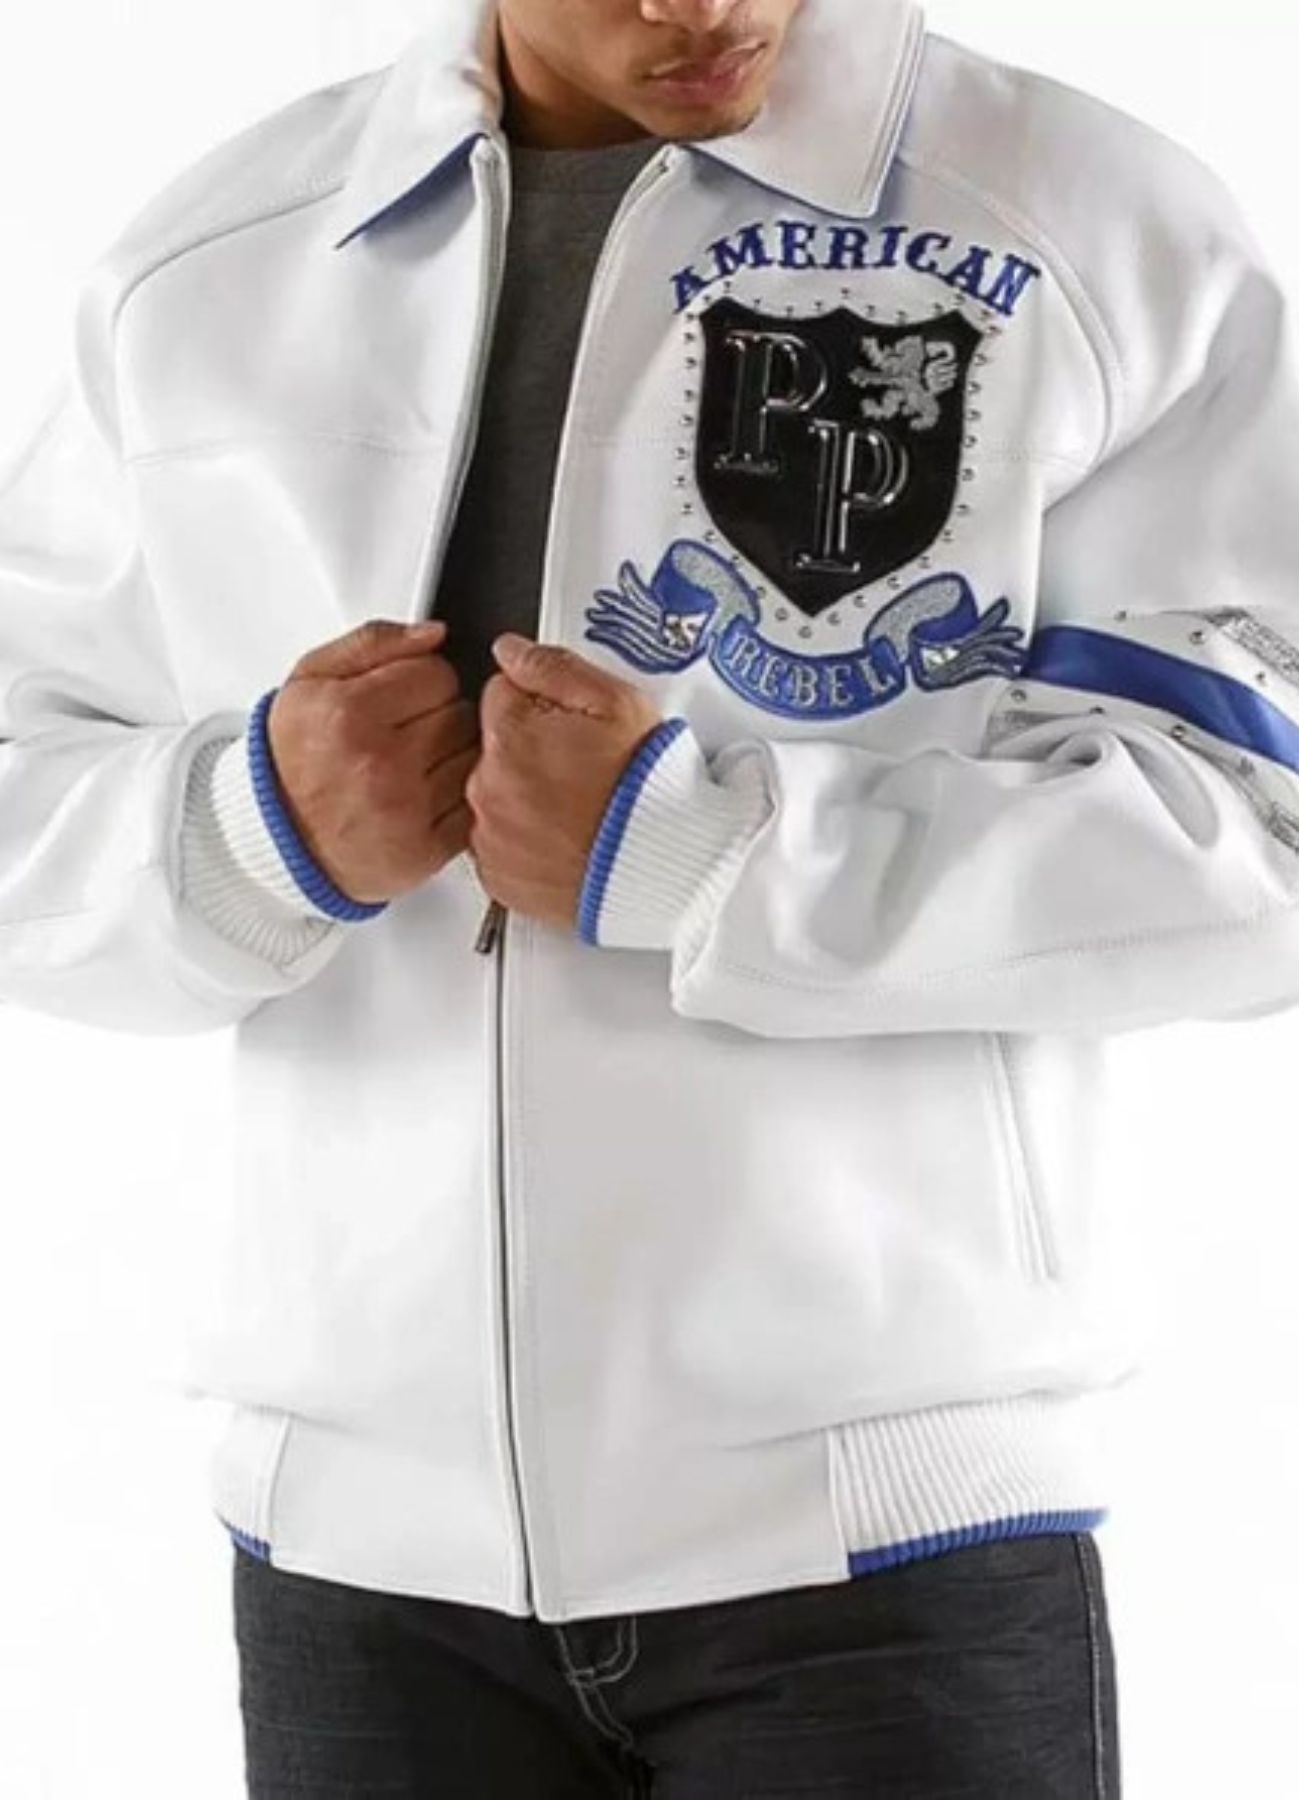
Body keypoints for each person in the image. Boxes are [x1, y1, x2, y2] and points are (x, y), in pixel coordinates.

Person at [4, 0, 1299, 1790]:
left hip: (880, 1547)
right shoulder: (216, 269)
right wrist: (252, 830)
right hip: (360, 1571)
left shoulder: (1088, 227)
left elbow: (1261, 829)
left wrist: (703, 852)